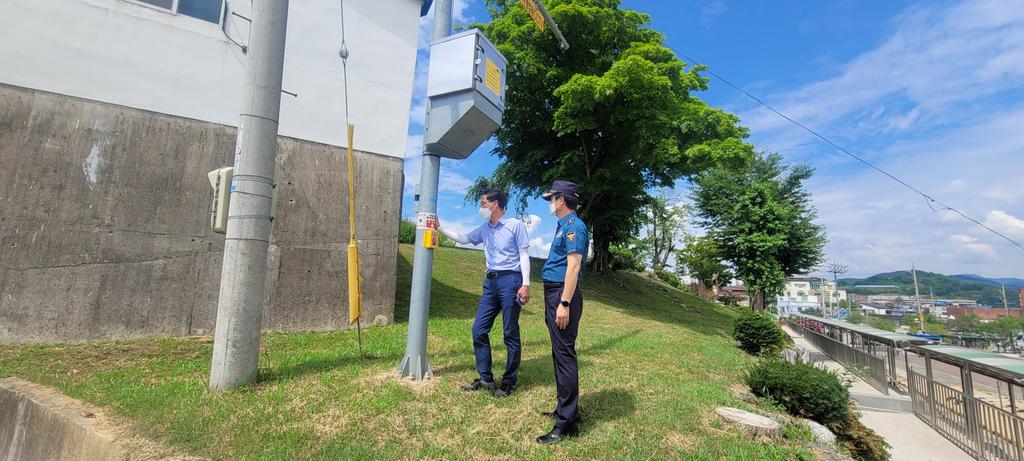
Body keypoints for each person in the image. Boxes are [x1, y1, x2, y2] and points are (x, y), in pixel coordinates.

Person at [438, 188, 531, 398]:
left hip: (511, 280)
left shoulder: (515, 225)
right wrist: (440, 228)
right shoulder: (484, 228)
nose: (481, 207)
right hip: (491, 283)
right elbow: (463, 239)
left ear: (495, 204)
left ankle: (508, 382)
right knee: (478, 329)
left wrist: (525, 284)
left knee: (510, 332)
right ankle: (486, 379)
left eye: (483, 203)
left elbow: (524, 255)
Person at [536, 180, 588, 445]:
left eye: (552, 198)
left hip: (562, 295)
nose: (550, 203)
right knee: (559, 355)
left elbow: (574, 267)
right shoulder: (563, 225)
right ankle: (566, 410)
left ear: (562, 199)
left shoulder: (574, 227)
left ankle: (565, 423)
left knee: (565, 356)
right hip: (554, 293)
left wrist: (564, 303)